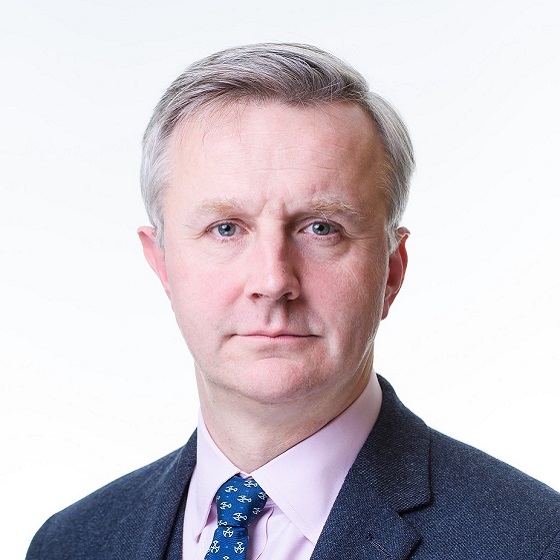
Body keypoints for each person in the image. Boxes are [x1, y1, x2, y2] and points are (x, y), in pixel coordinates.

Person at [27, 43, 560, 560]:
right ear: (161, 264)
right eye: (226, 228)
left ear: (392, 271)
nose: (273, 280)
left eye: (321, 228)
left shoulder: (536, 542)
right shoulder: (70, 543)